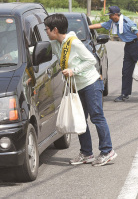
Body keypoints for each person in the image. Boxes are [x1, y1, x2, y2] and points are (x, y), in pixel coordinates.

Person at [44, 14, 117, 166]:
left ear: (55, 30)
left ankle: (107, 151)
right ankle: (86, 153)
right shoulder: (57, 44)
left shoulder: (74, 43)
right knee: (80, 119)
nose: (46, 32)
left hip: (91, 83)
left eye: (47, 29)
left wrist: (74, 70)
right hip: (77, 87)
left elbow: (91, 60)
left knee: (97, 117)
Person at [89, 6, 138, 102]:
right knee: (126, 72)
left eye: (110, 15)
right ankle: (125, 94)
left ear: (116, 15)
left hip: (136, 46)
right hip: (128, 47)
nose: (109, 17)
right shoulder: (112, 23)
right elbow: (99, 25)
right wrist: (86, 27)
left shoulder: (127, 22)